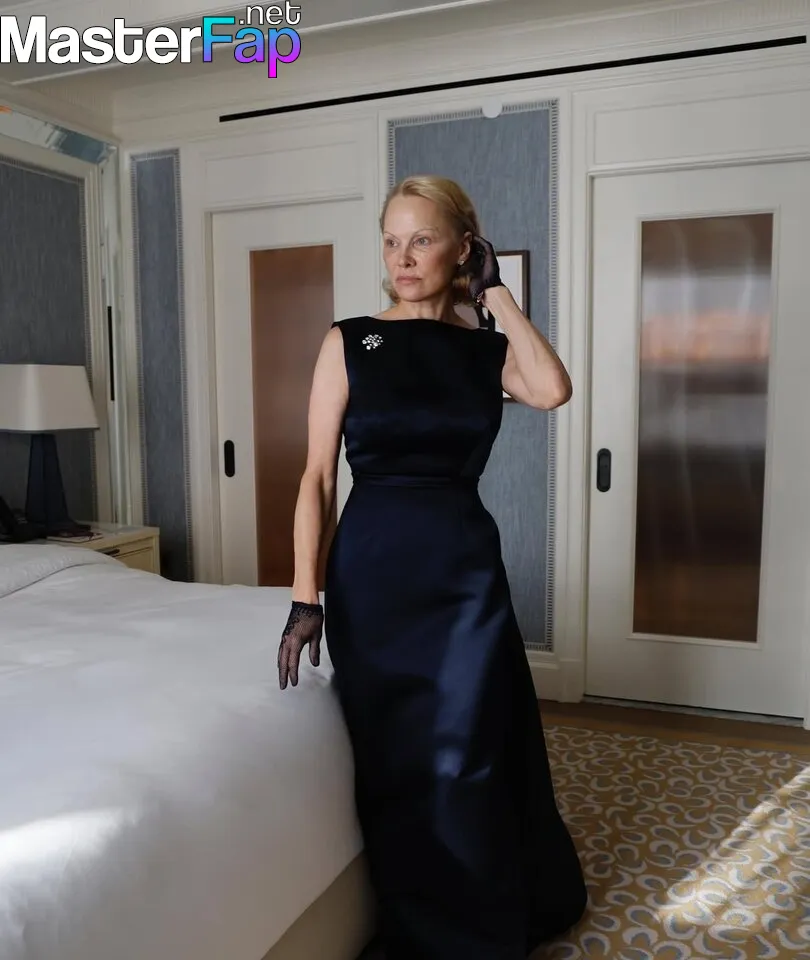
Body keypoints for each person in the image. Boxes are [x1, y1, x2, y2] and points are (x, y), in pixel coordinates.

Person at [277, 174, 588, 959]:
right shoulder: (349, 341)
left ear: (463, 247)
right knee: (395, 755)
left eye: (421, 239)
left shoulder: (485, 347)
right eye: (391, 241)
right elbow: (317, 478)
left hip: (463, 572)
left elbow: (552, 389)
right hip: (373, 573)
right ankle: (414, 919)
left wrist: (497, 294)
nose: (403, 257)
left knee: (468, 751)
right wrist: (306, 597)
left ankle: (478, 923)